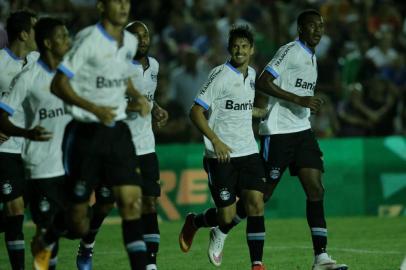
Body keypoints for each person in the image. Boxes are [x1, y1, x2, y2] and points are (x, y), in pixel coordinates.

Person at [179, 9, 349, 270]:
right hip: (276, 135)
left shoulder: (309, 59)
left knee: (312, 189)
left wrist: (267, 110)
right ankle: (212, 226)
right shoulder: (289, 51)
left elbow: (247, 98)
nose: (317, 30)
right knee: (254, 201)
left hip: (295, 133)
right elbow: (264, 82)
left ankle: (319, 257)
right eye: (312, 26)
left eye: (321, 26)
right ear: (301, 28)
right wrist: (297, 100)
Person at [31, 0, 150, 269]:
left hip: (118, 131)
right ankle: (47, 239)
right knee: (77, 220)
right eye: (115, 2)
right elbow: (58, 83)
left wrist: (137, 95)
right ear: (101, 6)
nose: (122, 6)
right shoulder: (88, 41)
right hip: (86, 134)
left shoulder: (129, 42)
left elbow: (120, 73)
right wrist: (94, 108)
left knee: (131, 205)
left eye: (126, 1)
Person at [75, 20, 168, 270]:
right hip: (116, 146)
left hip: (146, 146)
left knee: (149, 202)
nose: (143, 40)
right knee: (105, 204)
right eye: (136, 36)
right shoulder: (115, 67)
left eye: (145, 36)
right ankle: (87, 243)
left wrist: (156, 109)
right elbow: (104, 103)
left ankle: (150, 264)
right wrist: (131, 106)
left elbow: (148, 96)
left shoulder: (154, 66)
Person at [179, 25, 267, 270]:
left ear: (252, 50)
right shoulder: (219, 75)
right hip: (222, 156)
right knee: (226, 217)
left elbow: (238, 106)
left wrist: (261, 113)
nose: (240, 50)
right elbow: (195, 112)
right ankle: (196, 223)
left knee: (256, 203)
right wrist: (215, 141)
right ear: (230, 49)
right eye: (236, 46)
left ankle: (257, 264)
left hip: (248, 151)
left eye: (244, 46)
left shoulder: (251, 74)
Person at [0, 17, 71, 270]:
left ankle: (42, 244)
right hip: (20, 155)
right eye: (63, 36)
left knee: (69, 221)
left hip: (53, 158)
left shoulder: (56, 69)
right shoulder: (13, 69)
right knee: (17, 210)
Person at [0, 10, 38, 270]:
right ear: (24, 34)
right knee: (14, 208)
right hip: (6, 147)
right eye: (35, 29)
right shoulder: (0, 62)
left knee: (24, 213)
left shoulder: (39, 60)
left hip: (36, 151)